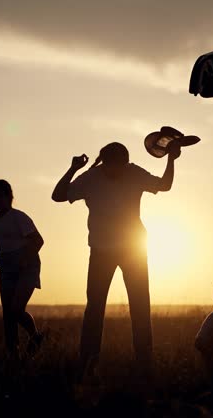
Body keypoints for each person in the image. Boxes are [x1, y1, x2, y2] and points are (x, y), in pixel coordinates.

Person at [51, 139, 181, 379]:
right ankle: (88, 363)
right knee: (95, 309)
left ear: (126, 162)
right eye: (112, 167)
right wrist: (73, 168)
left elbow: (164, 185)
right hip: (101, 251)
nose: (116, 172)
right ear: (104, 164)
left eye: (120, 167)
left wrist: (171, 158)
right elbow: (57, 195)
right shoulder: (91, 177)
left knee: (140, 307)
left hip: (134, 250)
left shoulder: (134, 172)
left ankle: (144, 364)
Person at [0, 179, 45, 358]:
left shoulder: (19, 217)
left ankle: (35, 336)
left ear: (9, 196)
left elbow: (38, 241)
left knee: (16, 309)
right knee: (8, 315)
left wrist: (24, 259)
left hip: (27, 268)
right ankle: (13, 354)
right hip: (6, 271)